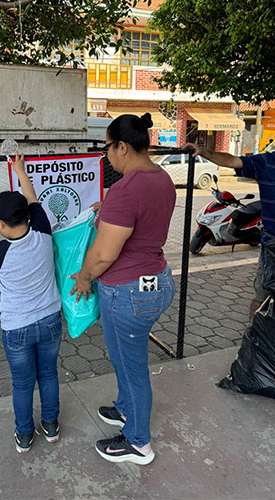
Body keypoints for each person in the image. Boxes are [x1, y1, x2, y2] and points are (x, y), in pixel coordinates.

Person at [70, 113, 176, 466]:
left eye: (108, 148)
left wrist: (84, 278)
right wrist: (107, 211)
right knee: (122, 358)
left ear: (122, 147)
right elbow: (141, 221)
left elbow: (102, 255)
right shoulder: (160, 177)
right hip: (156, 281)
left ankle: (138, 443)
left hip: (129, 292)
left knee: (132, 368)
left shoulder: (125, 188)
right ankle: (125, 408)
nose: (107, 156)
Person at [185, 114, 275, 319]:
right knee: (261, 297)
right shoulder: (267, 162)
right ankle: (254, 339)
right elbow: (233, 160)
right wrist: (204, 151)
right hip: (274, 247)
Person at [0, 152, 61, 454]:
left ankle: (25, 435)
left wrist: (17, 169)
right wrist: (21, 170)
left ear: (2, 225)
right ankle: (52, 426)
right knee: (49, 374)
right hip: (51, 320)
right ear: (28, 218)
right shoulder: (42, 231)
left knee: (22, 383)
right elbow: (33, 199)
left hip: (17, 327)